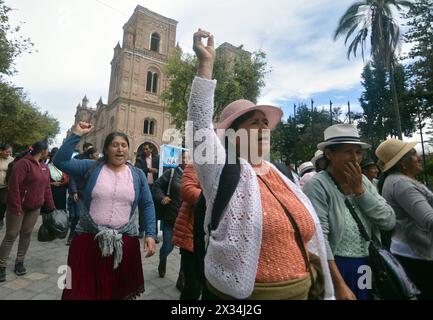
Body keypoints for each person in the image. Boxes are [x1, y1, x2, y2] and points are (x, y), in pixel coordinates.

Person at [187, 29, 333, 300]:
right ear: (233, 135)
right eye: (254, 122)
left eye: (266, 122)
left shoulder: (282, 172)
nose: (264, 127)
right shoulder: (222, 171)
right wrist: (205, 65)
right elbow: (198, 127)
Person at [53, 121, 156, 299]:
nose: (119, 149)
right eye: (114, 145)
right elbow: (60, 161)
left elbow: (147, 204)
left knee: (115, 293)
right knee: (78, 291)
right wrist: (75, 134)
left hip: (123, 244)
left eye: (124, 145)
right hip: (87, 241)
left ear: (129, 150)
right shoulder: (91, 167)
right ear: (106, 149)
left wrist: (151, 234)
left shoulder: (137, 175)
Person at [303, 124, 395, 300]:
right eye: (347, 152)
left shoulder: (364, 183)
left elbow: (388, 220)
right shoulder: (317, 186)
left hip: (366, 264)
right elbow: (319, 238)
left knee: (365, 296)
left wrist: (360, 191)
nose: (355, 158)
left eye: (358, 152)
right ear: (329, 154)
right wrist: (339, 285)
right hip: (337, 266)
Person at [376, 139, 433, 299]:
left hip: (411, 253)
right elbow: (429, 219)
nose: (419, 158)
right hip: (418, 256)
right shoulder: (402, 184)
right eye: (414, 154)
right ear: (402, 163)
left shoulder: (396, 181)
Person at [0, 141, 55, 282]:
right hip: (18, 207)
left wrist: (51, 206)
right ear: (43, 151)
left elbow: (47, 188)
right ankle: (1, 266)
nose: (47, 153)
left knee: (27, 234)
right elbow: (14, 185)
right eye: (47, 150)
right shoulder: (23, 164)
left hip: (35, 207)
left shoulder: (44, 167)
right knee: (11, 235)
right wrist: (16, 206)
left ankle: (19, 262)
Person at [152, 151, 187, 279]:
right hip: (171, 218)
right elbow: (156, 186)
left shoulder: (194, 176)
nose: (186, 160)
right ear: (179, 159)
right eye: (183, 158)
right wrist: (162, 197)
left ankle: (182, 278)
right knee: (167, 246)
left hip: (187, 221)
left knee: (186, 252)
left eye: (188, 158)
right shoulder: (172, 173)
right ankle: (163, 259)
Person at [172, 162, 202, 298]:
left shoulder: (230, 167)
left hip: (215, 238)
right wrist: (220, 197)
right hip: (192, 234)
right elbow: (187, 190)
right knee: (193, 287)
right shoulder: (195, 166)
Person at [135, 142, 160, 238]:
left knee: (155, 209)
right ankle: (141, 230)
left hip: (155, 186)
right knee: (143, 207)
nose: (145, 151)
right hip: (144, 186)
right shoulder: (140, 159)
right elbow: (137, 169)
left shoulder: (157, 159)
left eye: (147, 149)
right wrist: (148, 170)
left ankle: (154, 233)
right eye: (143, 149)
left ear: (151, 149)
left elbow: (161, 169)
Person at [0, 144, 14, 230]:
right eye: (6, 151)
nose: (8, 153)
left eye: (10, 152)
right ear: (1, 151)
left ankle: (1, 219)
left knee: (3, 202)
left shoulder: (12, 160)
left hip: (5, 186)